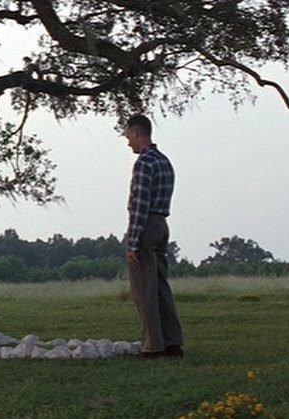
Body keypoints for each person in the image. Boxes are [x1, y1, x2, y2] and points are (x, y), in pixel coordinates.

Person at [122, 114, 184, 359]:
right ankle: (172, 342)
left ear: (137, 133)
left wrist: (133, 243)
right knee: (160, 286)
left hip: (146, 226)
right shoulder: (165, 161)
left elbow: (139, 204)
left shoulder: (144, 163)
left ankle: (153, 346)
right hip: (162, 225)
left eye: (128, 136)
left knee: (144, 289)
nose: (128, 143)